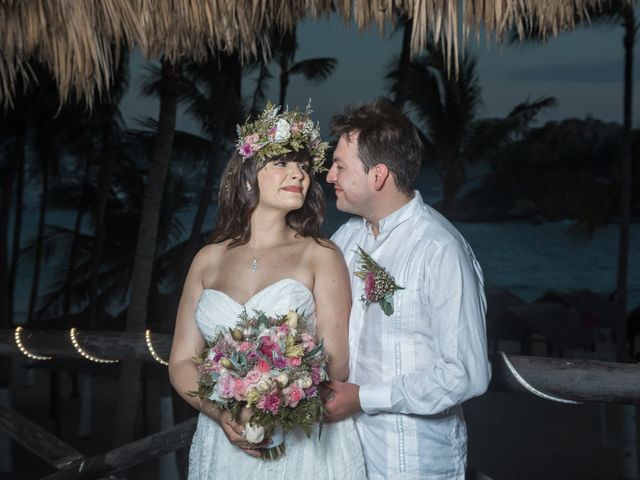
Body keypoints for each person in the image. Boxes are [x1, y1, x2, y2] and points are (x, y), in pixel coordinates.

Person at [169, 103, 366, 479]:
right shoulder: (207, 260)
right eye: (282, 164)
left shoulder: (320, 254)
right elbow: (181, 361)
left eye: (305, 168)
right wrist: (224, 412)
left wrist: (275, 392)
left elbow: (336, 360)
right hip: (224, 439)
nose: (299, 175)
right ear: (247, 176)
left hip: (300, 446)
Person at [324, 98, 491, 479]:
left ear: (378, 175)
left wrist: (363, 398)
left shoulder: (439, 249)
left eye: (340, 166)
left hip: (416, 461)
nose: (330, 175)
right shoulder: (346, 239)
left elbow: (465, 373)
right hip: (347, 457)